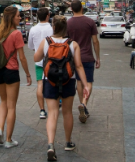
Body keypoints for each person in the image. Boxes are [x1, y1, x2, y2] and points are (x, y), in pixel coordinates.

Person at [34, 15, 90, 161]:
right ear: (66, 28)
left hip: (50, 81)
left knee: (52, 113)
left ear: (53, 27)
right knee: (67, 113)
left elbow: (36, 58)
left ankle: (51, 145)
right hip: (68, 81)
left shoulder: (46, 42)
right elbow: (78, 66)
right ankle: (68, 142)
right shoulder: (73, 44)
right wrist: (85, 84)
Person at [0, 6, 32, 149]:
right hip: (11, 72)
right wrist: (28, 74)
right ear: (11, 17)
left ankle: (0, 128)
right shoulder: (16, 34)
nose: (20, 18)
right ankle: (8, 139)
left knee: (3, 101)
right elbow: (22, 57)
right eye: (18, 16)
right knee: (11, 106)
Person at [66, 0, 100, 124]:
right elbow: (95, 41)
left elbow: (66, 41)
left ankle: (83, 106)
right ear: (82, 8)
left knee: (79, 82)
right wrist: (98, 57)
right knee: (89, 82)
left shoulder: (68, 23)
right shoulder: (90, 22)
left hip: (74, 57)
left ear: (71, 9)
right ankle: (84, 104)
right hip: (87, 57)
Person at [27, 7, 54, 119]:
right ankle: (55, 106)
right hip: (53, 61)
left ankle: (42, 110)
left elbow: (30, 46)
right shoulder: (53, 28)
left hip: (39, 62)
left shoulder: (33, 29)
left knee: (40, 84)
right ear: (48, 16)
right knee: (54, 82)